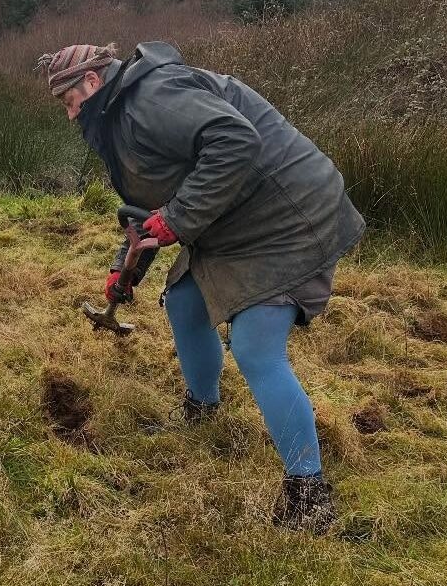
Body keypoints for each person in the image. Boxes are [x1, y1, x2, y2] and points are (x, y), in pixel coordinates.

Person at [41, 41, 364, 533]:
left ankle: (309, 493)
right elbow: (153, 203)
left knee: (256, 348)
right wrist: (124, 267)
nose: (70, 116)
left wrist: (177, 219)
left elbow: (235, 141)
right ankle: (203, 409)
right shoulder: (120, 117)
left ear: (91, 82)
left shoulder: (153, 97)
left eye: (69, 102)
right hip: (232, 218)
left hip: (288, 215)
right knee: (184, 301)